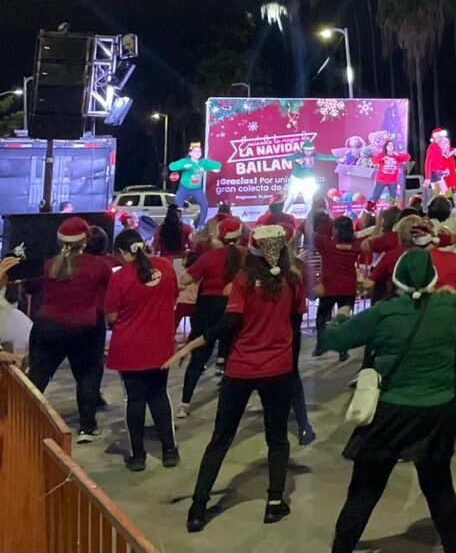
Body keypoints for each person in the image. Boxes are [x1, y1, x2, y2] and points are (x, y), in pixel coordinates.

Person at [324, 248, 456, 553]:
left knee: (363, 492)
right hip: (437, 412)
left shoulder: (383, 313)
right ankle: (452, 548)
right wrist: (451, 294)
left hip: (390, 413)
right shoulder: (450, 306)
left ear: (397, 279)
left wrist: (338, 319)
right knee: (439, 489)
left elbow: (336, 339)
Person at [164, 225, 305, 533]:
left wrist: (193, 344)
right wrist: (291, 368)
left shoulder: (243, 281)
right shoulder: (293, 280)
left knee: (220, 440)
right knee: (277, 438)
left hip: (240, 368)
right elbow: (295, 328)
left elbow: (230, 322)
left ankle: (198, 508)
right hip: (278, 369)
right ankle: (274, 502)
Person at [27, 217, 112, 442]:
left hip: (47, 326)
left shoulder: (48, 265)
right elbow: (113, 288)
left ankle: (21, 418)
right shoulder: (99, 266)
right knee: (88, 375)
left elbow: (29, 287)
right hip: (85, 328)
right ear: (86, 239)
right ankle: (87, 427)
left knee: (38, 376)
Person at [104, 229, 180, 471]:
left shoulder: (120, 277)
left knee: (135, 400)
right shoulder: (166, 267)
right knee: (159, 395)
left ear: (122, 252)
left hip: (130, 347)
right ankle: (169, 451)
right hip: (160, 344)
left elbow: (112, 315)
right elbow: (174, 297)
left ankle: (138, 456)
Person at [175, 216, 244, 417]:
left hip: (208, 308)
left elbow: (185, 279)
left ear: (219, 236)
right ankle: (233, 401)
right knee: (233, 353)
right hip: (235, 307)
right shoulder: (245, 255)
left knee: (199, 357)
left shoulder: (209, 257)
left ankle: (185, 403)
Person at [313, 215, 359, 357]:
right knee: (343, 320)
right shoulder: (356, 245)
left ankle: (321, 346)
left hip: (329, 288)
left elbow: (307, 230)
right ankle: (343, 350)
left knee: (322, 318)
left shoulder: (326, 243)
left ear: (336, 230)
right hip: (348, 288)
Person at [169, 143, 221, 225]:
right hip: (184, 188)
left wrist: (214, 168)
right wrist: (183, 166)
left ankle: (201, 225)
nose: (197, 153)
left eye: (199, 151)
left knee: (204, 205)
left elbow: (218, 165)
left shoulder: (203, 162)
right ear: (190, 153)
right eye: (195, 151)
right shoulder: (185, 161)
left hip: (197, 189)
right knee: (178, 207)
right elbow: (172, 167)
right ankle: (177, 224)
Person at [369, 138, 410, 204]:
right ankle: (370, 208)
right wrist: (382, 158)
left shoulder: (397, 156)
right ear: (386, 147)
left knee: (393, 199)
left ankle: (391, 209)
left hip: (392, 180)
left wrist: (398, 155)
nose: (390, 147)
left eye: (392, 145)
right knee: (375, 197)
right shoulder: (382, 154)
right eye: (389, 145)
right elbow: (374, 160)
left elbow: (407, 157)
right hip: (381, 179)